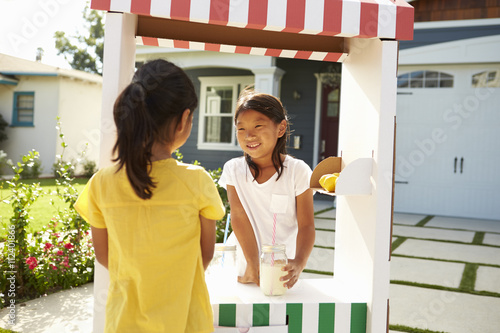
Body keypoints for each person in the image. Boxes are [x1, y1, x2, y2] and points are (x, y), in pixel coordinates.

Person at [75, 59, 225, 333]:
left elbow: (103, 255)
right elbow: (205, 254)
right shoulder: (197, 181)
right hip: (186, 322)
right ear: (183, 121)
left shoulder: (100, 184)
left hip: (124, 323)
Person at [219, 88, 315, 290]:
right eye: (241, 129)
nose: (249, 135)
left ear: (280, 129)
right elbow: (238, 217)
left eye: (258, 126)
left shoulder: (298, 171)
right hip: (242, 265)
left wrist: (298, 263)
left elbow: (306, 225)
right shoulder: (233, 169)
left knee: (277, 318)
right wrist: (252, 266)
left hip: (280, 270)